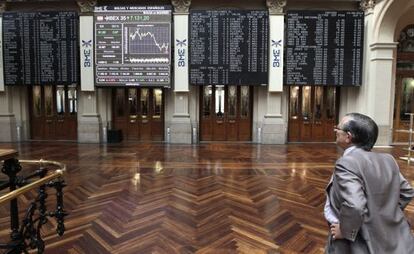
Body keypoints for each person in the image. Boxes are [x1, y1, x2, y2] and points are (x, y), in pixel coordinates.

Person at [324, 113, 414, 253]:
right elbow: (407, 192)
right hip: (392, 241)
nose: (336, 130)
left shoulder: (347, 163)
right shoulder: (388, 159)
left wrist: (346, 231)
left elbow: (355, 205)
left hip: (357, 244)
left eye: (338, 128)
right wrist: (384, 214)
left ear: (348, 136)